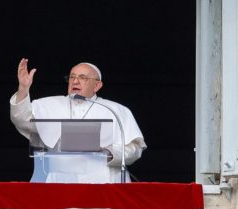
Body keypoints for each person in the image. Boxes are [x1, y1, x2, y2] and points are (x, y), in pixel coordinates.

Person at [10, 58, 147, 183]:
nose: (75, 81)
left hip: (103, 181)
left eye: (83, 78)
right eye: (72, 77)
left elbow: (134, 148)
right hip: (59, 181)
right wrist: (23, 88)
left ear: (97, 85)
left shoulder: (116, 110)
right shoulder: (48, 104)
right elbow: (21, 119)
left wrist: (109, 153)